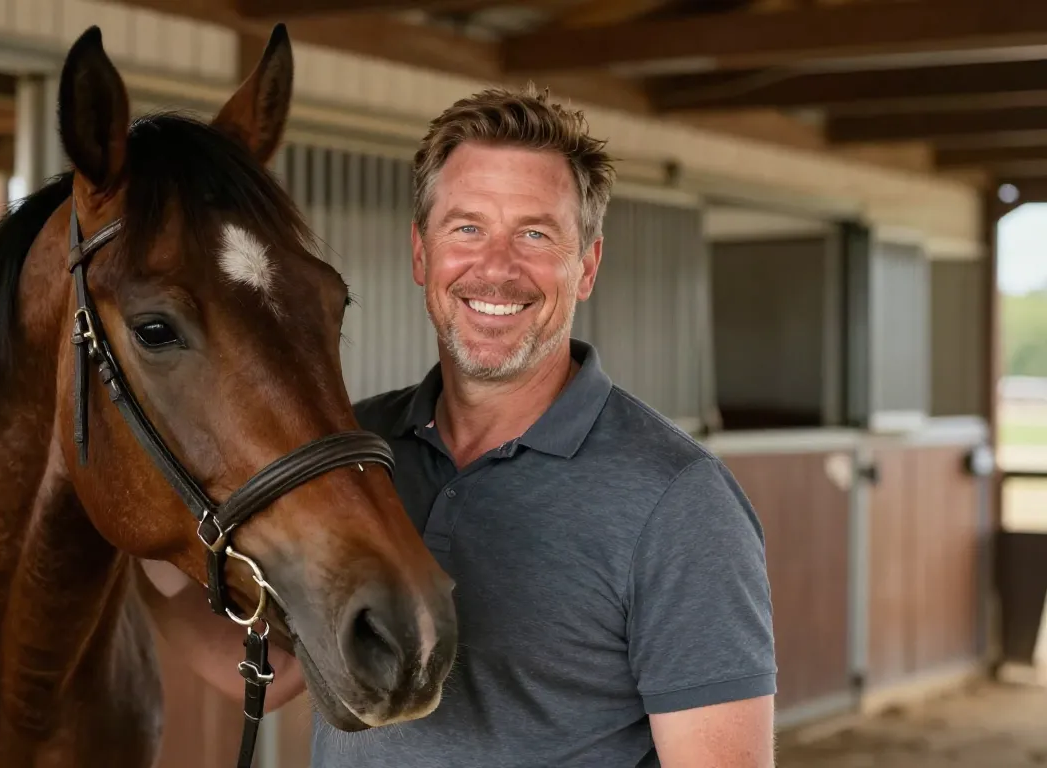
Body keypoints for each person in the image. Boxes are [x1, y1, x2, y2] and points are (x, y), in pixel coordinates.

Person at [142, 84, 777, 767]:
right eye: (467, 228)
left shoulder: (678, 501)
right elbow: (277, 678)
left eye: (535, 233)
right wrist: (138, 543)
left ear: (586, 266)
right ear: (422, 254)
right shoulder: (352, 450)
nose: (496, 268)